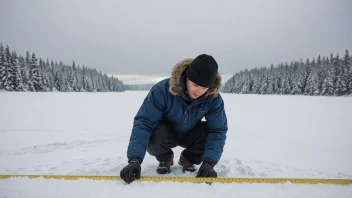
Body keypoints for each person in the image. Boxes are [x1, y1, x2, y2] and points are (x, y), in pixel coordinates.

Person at [120, 54, 228, 184]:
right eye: (195, 84)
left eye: (204, 87)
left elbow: (217, 131)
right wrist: (135, 159)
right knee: (153, 133)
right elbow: (144, 123)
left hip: (191, 134)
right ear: (187, 78)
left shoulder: (213, 99)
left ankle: (188, 159)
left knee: (208, 133)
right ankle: (165, 158)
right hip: (165, 133)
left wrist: (209, 162)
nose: (198, 91)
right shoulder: (162, 90)